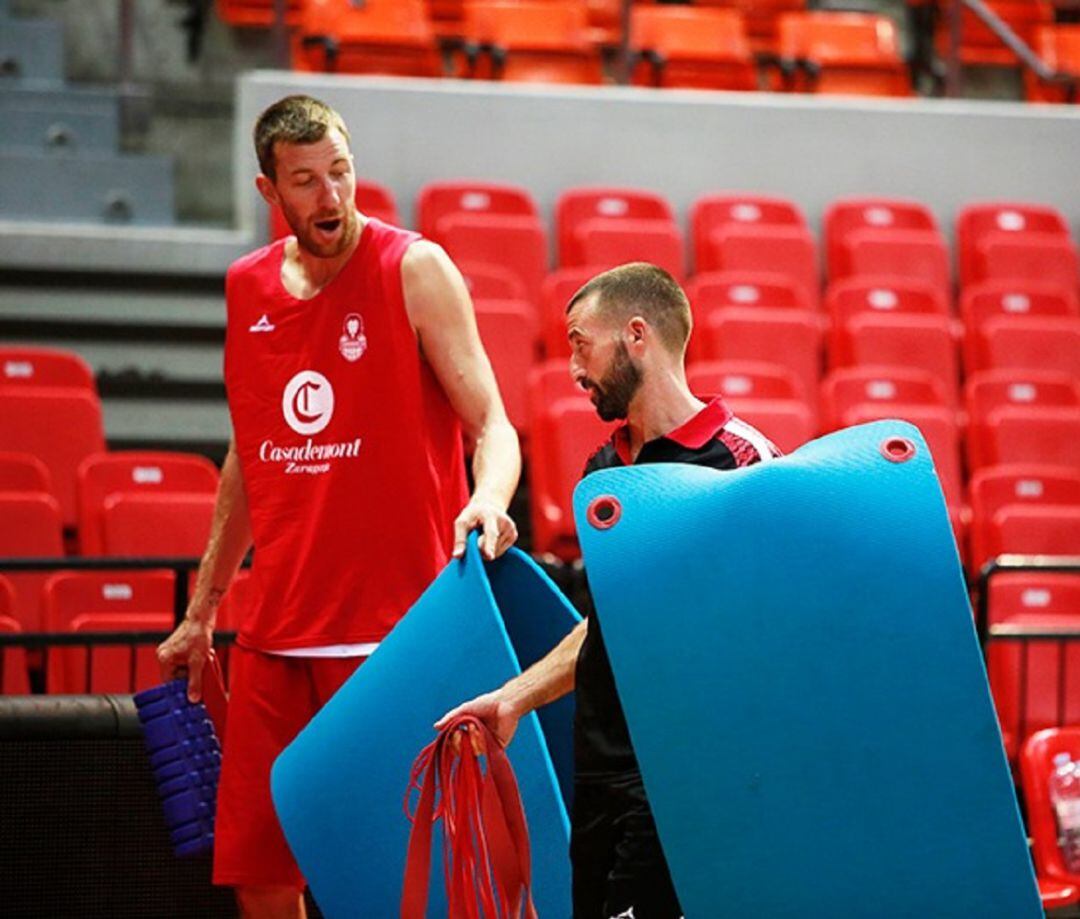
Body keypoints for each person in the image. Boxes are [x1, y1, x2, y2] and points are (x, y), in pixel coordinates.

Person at [157, 94, 521, 919]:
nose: (331, 197)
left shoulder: (414, 267)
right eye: (307, 182)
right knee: (260, 868)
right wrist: (205, 604)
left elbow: (493, 423)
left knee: (403, 872)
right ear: (269, 191)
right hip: (277, 632)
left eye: (341, 173)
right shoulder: (246, 287)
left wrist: (490, 501)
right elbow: (250, 456)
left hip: (393, 632)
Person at [438, 262, 781, 919]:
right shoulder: (604, 469)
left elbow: (780, 626)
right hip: (599, 774)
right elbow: (608, 622)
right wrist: (514, 698)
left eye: (579, 341)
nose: (571, 365)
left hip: (688, 778)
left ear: (635, 335)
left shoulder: (744, 460)